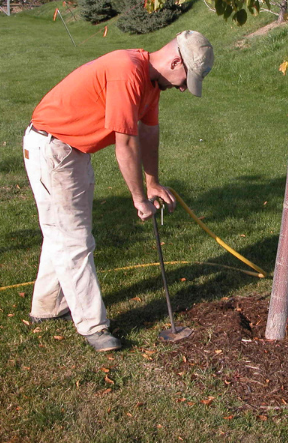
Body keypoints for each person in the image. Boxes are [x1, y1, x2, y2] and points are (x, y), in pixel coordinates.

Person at [23, 30, 214, 352]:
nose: (183, 87)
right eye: (185, 78)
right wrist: (139, 198)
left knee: (65, 232)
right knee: (73, 240)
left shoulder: (151, 84)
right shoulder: (127, 71)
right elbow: (124, 142)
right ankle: (93, 327)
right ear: (175, 61)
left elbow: (148, 133)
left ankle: (47, 306)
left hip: (73, 150)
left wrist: (152, 182)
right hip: (53, 148)